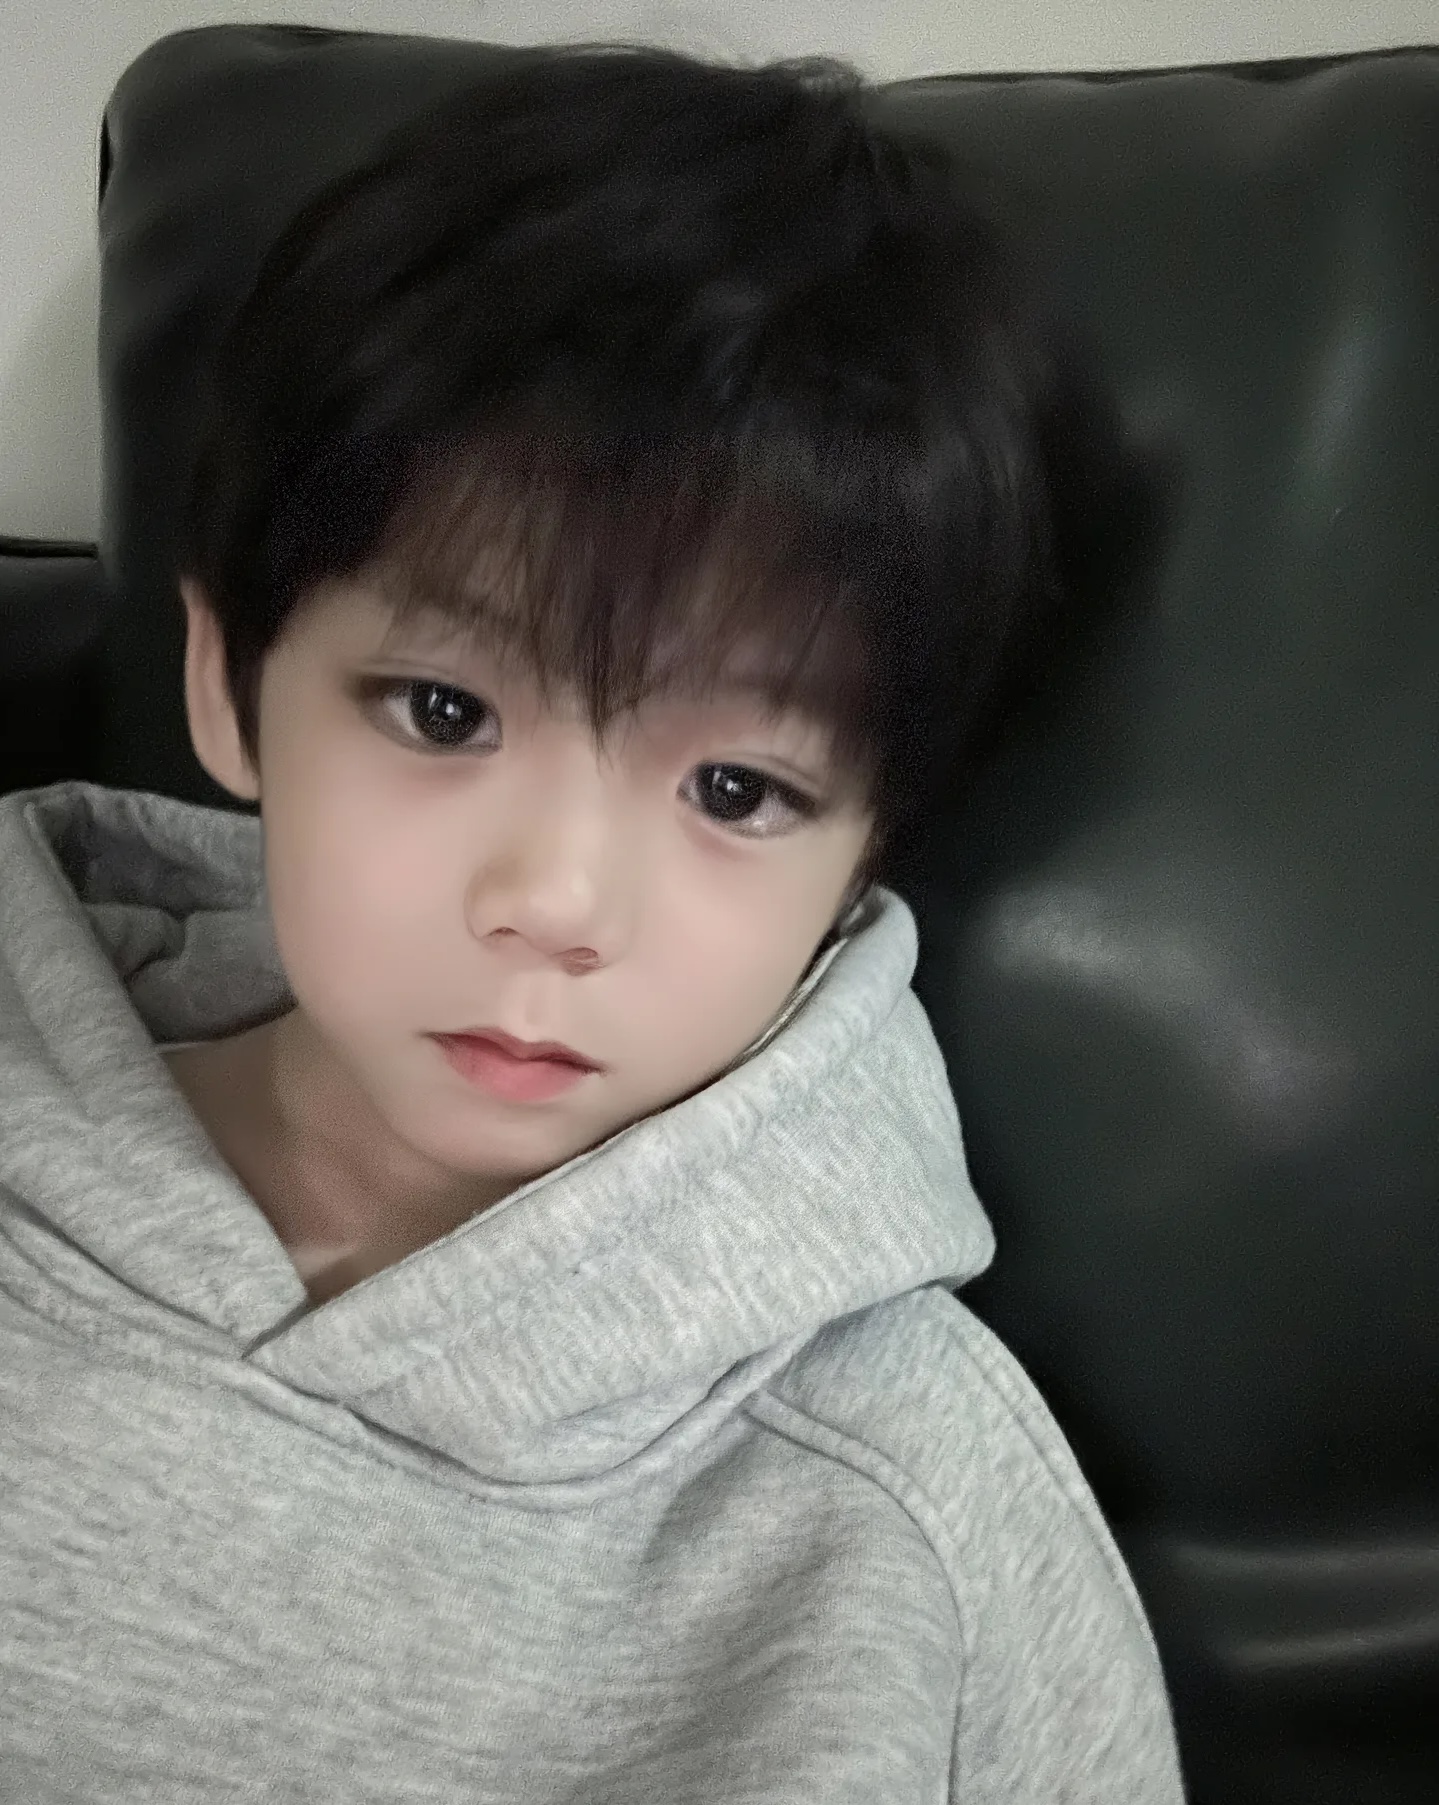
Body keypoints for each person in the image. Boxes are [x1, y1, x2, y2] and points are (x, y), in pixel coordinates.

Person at [0, 44, 1186, 1802]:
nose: (554, 907)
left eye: (738, 792)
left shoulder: (918, 1514)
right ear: (226, 684)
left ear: (865, 856)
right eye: (444, 712)